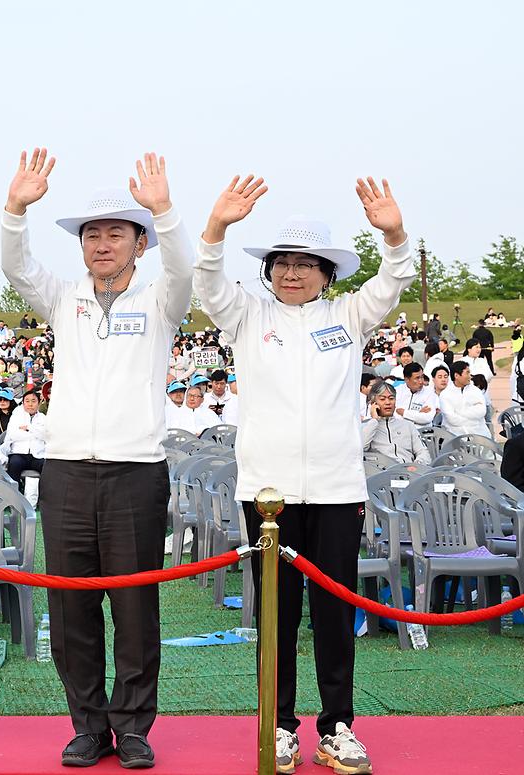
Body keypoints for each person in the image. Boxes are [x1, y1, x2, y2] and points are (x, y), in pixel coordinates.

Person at [194, 173, 413, 775]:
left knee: (335, 612)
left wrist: (394, 233)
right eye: (282, 263)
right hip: (268, 496)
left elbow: (393, 279)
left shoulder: (349, 315)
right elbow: (207, 282)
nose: (292, 274)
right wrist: (217, 227)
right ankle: (279, 725)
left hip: (337, 490)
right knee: (277, 614)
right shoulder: (247, 315)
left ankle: (337, 726)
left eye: (306, 264)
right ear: (269, 271)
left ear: (327, 272)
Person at [2, 149, 193, 768]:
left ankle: (132, 726)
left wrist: (164, 210)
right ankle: (87, 725)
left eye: (116, 233)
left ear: (140, 243)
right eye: (92, 234)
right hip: (65, 473)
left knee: (135, 608)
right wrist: (16, 208)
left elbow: (186, 268)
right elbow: (15, 266)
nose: (102, 244)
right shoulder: (64, 298)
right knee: (70, 607)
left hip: (134, 472)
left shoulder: (161, 298)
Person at [361, 380, 431, 465]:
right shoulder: (367, 427)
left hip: (408, 469)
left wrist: (417, 465)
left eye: (391, 398)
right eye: (382, 399)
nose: (388, 402)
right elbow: (360, 449)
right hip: (381, 471)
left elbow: (423, 451)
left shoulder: (407, 425)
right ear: (373, 403)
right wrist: (374, 420)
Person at [2, 387, 46, 482]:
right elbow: (13, 435)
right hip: (19, 454)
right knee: (14, 464)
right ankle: (13, 490)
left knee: (47, 467)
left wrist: (29, 428)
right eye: (27, 401)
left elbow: (46, 436)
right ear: (23, 403)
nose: (30, 404)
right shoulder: (16, 417)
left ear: (39, 403)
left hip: (38, 455)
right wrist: (36, 433)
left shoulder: (43, 418)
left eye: (33, 401)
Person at [439, 362, 490, 438]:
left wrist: (458, 412)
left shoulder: (476, 391)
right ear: (456, 375)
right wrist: (473, 421)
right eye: (467, 373)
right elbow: (451, 419)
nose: (470, 376)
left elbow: (481, 411)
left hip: (479, 434)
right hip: (455, 436)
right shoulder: (445, 394)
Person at [394, 362, 437, 428]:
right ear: (406, 379)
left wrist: (404, 413)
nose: (421, 381)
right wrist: (418, 413)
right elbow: (394, 416)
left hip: (421, 432)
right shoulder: (397, 391)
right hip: (400, 430)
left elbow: (428, 418)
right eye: (417, 378)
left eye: (422, 377)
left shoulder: (429, 393)